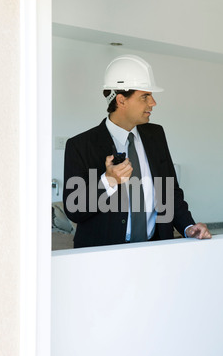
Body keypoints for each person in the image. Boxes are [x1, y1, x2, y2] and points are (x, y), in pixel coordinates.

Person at [63, 55, 211, 248]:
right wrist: (108, 181)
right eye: (145, 97)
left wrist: (188, 226)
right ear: (121, 100)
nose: (153, 103)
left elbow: (169, 192)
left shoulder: (156, 135)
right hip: (102, 257)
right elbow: (74, 210)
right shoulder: (80, 145)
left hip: (155, 250)